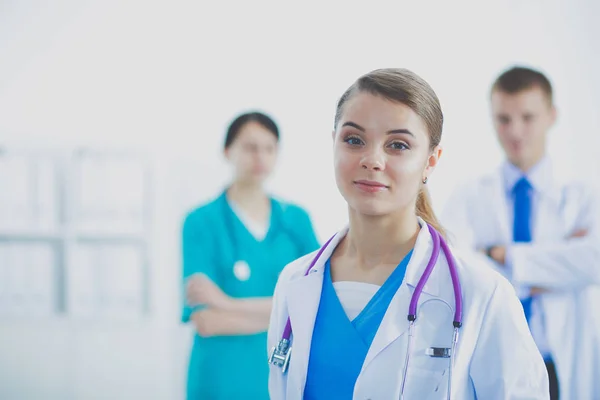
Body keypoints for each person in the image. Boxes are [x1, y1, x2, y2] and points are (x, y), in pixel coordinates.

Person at [267, 68, 549, 400]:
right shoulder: (295, 281)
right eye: (354, 140)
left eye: (398, 145)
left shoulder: (481, 295)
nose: (372, 160)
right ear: (334, 144)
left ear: (431, 161)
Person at [442, 66, 600, 399]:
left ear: (552, 115)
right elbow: (454, 270)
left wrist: (502, 255)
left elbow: (594, 261)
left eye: (528, 117)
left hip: (558, 361)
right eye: (503, 119)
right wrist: (556, 264)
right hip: (494, 363)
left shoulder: (584, 196)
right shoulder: (469, 196)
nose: (515, 131)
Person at [181, 111, 320, 400]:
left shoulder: (296, 221)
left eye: (269, 148)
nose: (260, 157)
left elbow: (316, 306)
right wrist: (285, 313)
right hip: (220, 380)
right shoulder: (201, 222)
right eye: (250, 147)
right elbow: (207, 321)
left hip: (283, 380)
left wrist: (226, 303)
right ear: (227, 151)